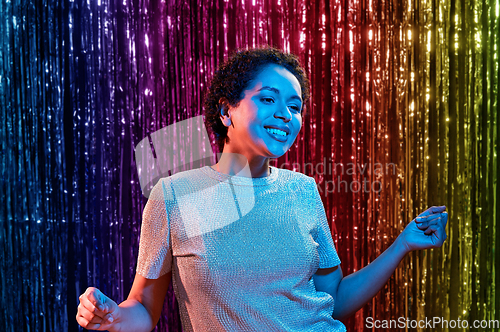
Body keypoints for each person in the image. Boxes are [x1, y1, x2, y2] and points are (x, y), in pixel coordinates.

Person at [76, 47, 448, 331]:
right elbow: (142, 308)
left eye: (295, 106)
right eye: (268, 99)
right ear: (226, 112)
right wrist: (109, 317)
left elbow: (332, 300)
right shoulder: (174, 196)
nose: (286, 115)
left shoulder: (302, 191)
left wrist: (402, 245)